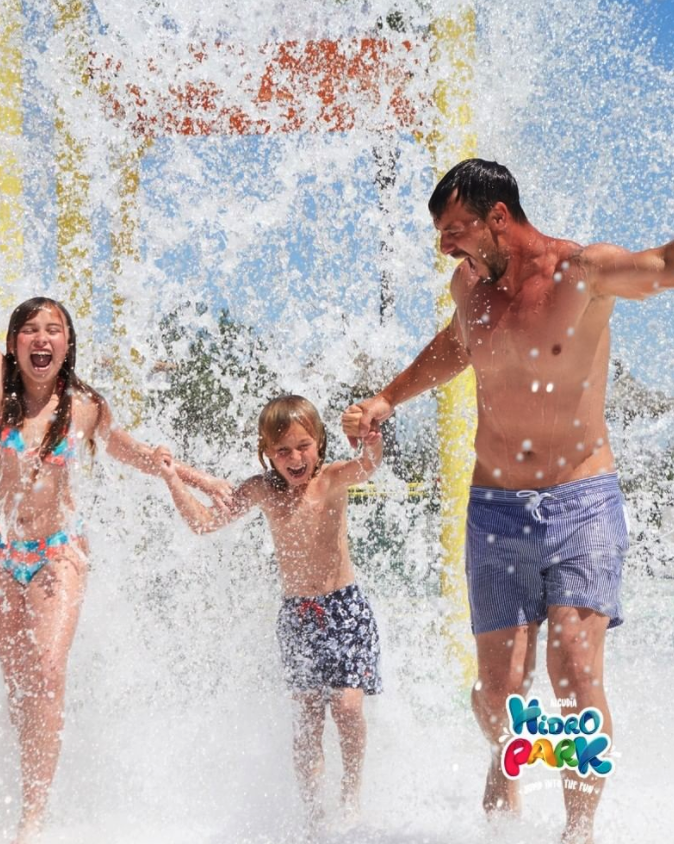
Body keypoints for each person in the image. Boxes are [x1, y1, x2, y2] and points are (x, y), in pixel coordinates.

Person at [342, 157, 674, 843]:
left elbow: (659, 267)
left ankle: (576, 831)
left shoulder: (579, 272)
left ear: (499, 217)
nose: (445, 245)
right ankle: (511, 754)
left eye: (455, 229)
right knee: (498, 695)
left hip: (581, 497)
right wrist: (385, 398)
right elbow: (456, 348)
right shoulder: (468, 284)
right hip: (495, 506)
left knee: (573, 672)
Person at [0, 177, 230, 844]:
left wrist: (182, 470)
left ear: (67, 346)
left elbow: (122, 446)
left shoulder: (86, 405)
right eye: (30, 329)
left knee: (47, 671)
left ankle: (33, 818)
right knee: (19, 691)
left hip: (58, 553)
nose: (42, 338)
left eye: (54, 330)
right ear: (12, 344)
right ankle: (27, 785)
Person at [155, 395, 382, 828]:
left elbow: (369, 464)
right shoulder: (263, 490)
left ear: (319, 443)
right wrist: (173, 479)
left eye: (303, 446)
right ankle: (313, 816)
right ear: (267, 454)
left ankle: (351, 795)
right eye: (283, 451)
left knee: (348, 709)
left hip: (345, 609)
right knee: (308, 721)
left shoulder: (333, 478)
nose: (295, 458)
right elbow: (204, 524)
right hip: (298, 617)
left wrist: (371, 437)